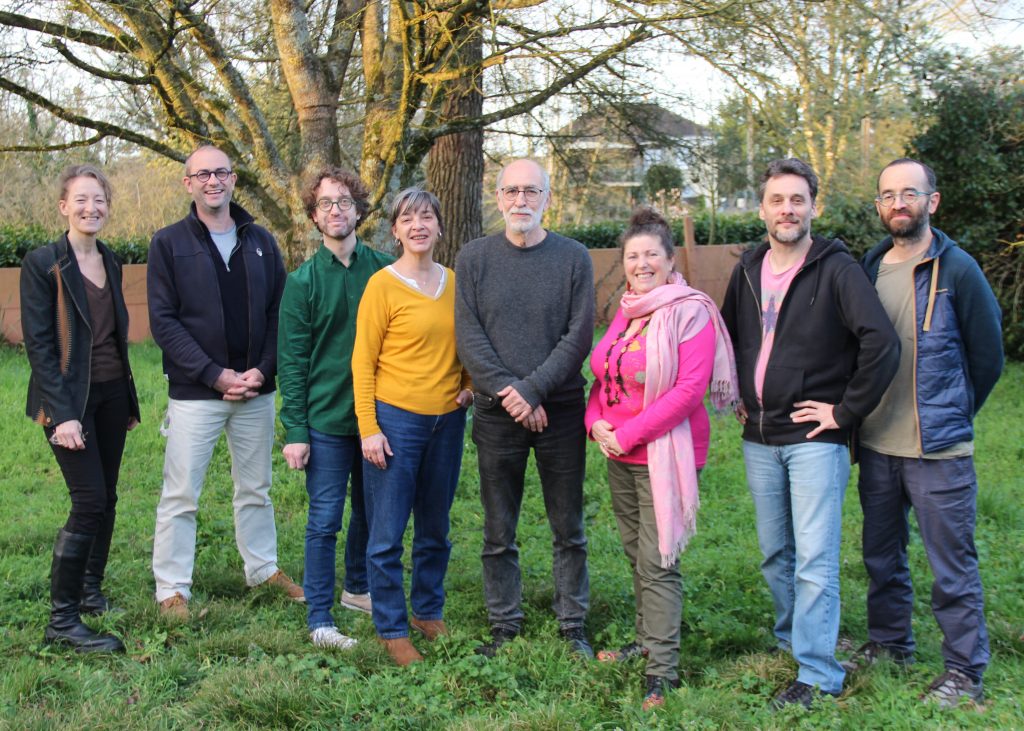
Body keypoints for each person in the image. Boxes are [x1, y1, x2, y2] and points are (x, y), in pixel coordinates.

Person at [720, 158, 900, 709]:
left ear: (813, 208)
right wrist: (736, 394)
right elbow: (728, 336)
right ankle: (795, 640)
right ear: (763, 210)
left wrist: (845, 412)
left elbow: (881, 343)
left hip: (813, 439)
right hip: (759, 436)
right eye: (778, 200)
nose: (787, 210)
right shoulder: (748, 267)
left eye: (798, 200)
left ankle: (819, 672)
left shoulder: (836, 268)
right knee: (777, 552)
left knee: (814, 558)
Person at [846, 158, 1003, 708]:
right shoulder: (869, 267)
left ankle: (965, 671)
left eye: (909, 193)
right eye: (887, 195)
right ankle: (891, 644)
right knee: (881, 557)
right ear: (879, 206)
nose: (898, 204)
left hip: (938, 449)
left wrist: (952, 413)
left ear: (931, 202)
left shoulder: (957, 268)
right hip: (877, 444)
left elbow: (988, 357)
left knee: (951, 565)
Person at [585, 208, 737, 710]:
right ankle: (646, 640)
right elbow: (602, 378)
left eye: (652, 254)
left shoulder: (690, 311)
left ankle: (663, 672)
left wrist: (626, 434)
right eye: (633, 255)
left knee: (659, 560)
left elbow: (690, 390)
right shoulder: (628, 311)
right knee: (638, 555)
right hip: (621, 455)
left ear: (671, 261)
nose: (642, 263)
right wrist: (595, 424)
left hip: (662, 456)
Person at [148, 144, 302, 619]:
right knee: (181, 494)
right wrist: (213, 375)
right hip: (198, 393)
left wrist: (264, 369)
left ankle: (262, 568)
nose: (213, 181)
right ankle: (172, 588)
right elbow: (164, 321)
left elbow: (282, 312)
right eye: (202, 174)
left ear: (234, 179)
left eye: (221, 173)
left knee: (256, 487)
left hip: (256, 390)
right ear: (188, 183)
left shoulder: (260, 240)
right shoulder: (168, 243)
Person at [456, 158, 596, 658]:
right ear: (497, 198)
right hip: (497, 414)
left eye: (531, 191)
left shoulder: (574, 257)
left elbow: (579, 336)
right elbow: (469, 337)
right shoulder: (473, 258)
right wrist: (515, 397)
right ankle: (504, 625)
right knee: (498, 529)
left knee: (569, 527)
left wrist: (533, 390)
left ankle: (573, 625)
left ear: (547, 198)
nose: (521, 200)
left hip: (559, 411)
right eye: (512, 191)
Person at [21, 164, 141, 653]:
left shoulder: (110, 259)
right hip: (69, 401)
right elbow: (40, 345)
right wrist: (62, 412)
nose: (92, 208)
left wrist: (127, 399)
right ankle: (62, 622)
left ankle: (90, 592)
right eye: (82, 199)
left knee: (107, 498)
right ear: (63, 206)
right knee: (88, 501)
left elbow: (113, 335)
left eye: (100, 200)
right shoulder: (43, 261)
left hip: (112, 393)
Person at [352, 188, 473, 666]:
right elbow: (362, 362)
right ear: (396, 230)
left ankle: (427, 610)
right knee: (386, 533)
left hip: (448, 420)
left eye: (427, 216)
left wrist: (467, 384)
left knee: (436, 528)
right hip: (396, 421)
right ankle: (391, 627)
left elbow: (468, 340)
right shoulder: (382, 285)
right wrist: (369, 427)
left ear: (440, 226)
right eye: (408, 218)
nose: (418, 225)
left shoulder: (456, 282)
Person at [278, 167, 392, 649]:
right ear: (313, 216)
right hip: (325, 421)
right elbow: (293, 360)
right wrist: (296, 429)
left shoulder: (386, 271)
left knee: (371, 513)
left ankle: (358, 589)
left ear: (359, 210)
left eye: (344, 201)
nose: (335, 211)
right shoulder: (301, 283)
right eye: (325, 204)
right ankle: (320, 617)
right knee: (325, 518)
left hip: (378, 419)